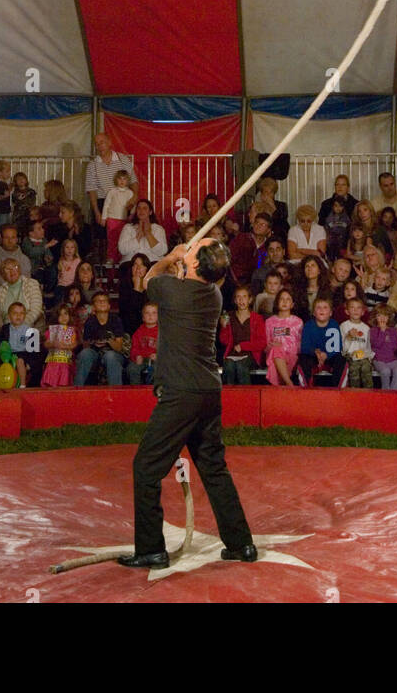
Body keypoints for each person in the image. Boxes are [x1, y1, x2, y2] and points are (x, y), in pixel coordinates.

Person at [118, 239, 255, 569]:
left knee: (146, 467)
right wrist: (184, 259)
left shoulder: (171, 289)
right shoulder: (213, 294)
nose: (190, 246)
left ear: (194, 265)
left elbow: (147, 281)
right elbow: (175, 279)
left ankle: (151, 549)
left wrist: (170, 257)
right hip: (208, 390)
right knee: (213, 467)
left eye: (195, 247)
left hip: (181, 393)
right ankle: (241, 544)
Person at [84, 133, 137, 233]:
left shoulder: (123, 159)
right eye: (97, 144)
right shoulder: (92, 165)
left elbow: (133, 181)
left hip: (123, 201)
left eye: (102, 143)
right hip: (103, 202)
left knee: (124, 233)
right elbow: (92, 191)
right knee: (102, 234)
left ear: (109, 143)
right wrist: (97, 212)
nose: (99, 146)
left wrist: (134, 198)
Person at [75, 291, 127, 386]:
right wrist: (94, 342)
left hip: (113, 355)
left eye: (104, 301)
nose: (102, 303)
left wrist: (108, 340)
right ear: (93, 307)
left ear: (109, 306)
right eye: (98, 301)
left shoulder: (115, 320)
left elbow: (119, 347)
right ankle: (77, 389)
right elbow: (85, 346)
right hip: (95, 354)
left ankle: (115, 392)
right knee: (85, 354)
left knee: (110, 356)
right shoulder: (90, 322)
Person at [218, 286, 265, 384]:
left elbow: (261, 343)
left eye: (244, 297)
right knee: (229, 366)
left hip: (250, 355)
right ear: (235, 300)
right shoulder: (229, 316)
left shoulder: (257, 318)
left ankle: (246, 397)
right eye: (238, 297)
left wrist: (243, 346)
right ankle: (228, 397)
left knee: (241, 365)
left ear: (250, 299)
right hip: (232, 354)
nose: (241, 300)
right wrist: (224, 327)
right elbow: (224, 340)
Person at [0, 257, 44, 335]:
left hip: (28, 325)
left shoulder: (31, 283)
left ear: (19, 270)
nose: (12, 271)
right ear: (3, 274)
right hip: (6, 329)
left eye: (15, 267)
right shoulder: (0, 290)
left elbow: (36, 309)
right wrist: (3, 329)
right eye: (7, 269)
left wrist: (20, 326)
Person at [299, 297, 344, 386]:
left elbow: (337, 347)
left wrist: (326, 355)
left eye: (325, 307)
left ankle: (338, 389)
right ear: (313, 313)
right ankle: (305, 387)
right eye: (318, 307)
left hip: (330, 356)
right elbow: (304, 347)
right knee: (303, 359)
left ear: (330, 313)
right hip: (314, 356)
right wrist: (315, 352)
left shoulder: (334, 324)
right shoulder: (308, 325)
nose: (322, 310)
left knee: (341, 360)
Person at [0, 300, 42, 388]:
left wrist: (30, 363)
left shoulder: (29, 330)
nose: (18, 316)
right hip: (8, 354)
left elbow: (35, 350)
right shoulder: (5, 329)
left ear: (25, 316)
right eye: (15, 313)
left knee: (20, 361)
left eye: (21, 313)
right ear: (9, 316)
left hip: (23, 354)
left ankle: (22, 385)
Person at [264, 288, 303, 386]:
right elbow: (266, 345)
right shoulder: (269, 322)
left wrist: (284, 348)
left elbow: (299, 345)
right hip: (274, 356)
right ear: (277, 303)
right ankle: (289, 383)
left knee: (277, 351)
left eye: (288, 299)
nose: (285, 302)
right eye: (282, 299)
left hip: (291, 357)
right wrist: (274, 346)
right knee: (276, 350)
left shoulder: (298, 322)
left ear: (292, 304)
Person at [102, 168, 136, 270]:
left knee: (122, 240)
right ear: (116, 180)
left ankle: (121, 258)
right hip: (112, 219)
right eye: (120, 179)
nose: (122, 181)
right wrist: (104, 218)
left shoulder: (130, 193)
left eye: (124, 179)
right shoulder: (112, 192)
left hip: (123, 220)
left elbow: (133, 206)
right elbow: (106, 205)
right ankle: (111, 257)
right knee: (112, 239)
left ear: (128, 180)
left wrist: (132, 215)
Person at [339, 296, 375, 387]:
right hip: (349, 355)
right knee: (354, 368)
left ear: (363, 312)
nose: (355, 310)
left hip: (363, 356)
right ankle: (354, 392)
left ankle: (368, 393)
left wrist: (369, 357)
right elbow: (342, 347)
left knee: (366, 367)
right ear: (347, 311)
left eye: (358, 308)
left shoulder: (366, 328)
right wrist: (349, 337)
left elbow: (368, 346)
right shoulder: (344, 326)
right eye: (352, 307)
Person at [118, 200, 167, 265]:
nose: (141, 210)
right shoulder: (128, 227)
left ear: (150, 212)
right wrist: (138, 237)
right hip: (131, 263)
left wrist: (148, 234)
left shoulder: (158, 229)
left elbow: (162, 251)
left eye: (144, 208)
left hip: (152, 263)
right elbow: (122, 250)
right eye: (139, 208)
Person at [0, 223, 32, 290]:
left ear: (17, 239)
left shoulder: (24, 259)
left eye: (13, 237)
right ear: (0, 238)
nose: (10, 241)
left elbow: (26, 280)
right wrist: (11, 289)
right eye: (7, 237)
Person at [370, 305, 397, 390]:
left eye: (385, 315)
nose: (382, 318)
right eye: (379, 315)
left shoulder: (393, 331)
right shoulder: (373, 330)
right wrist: (382, 331)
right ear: (375, 317)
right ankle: (385, 391)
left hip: (393, 360)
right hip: (379, 360)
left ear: (389, 317)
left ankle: (393, 393)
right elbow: (376, 345)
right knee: (386, 371)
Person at [41, 305, 77, 387]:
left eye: (65, 314)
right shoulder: (52, 330)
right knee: (51, 380)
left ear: (69, 316)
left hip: (66, 359)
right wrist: (53, 343)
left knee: (64, 380)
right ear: (56, 317)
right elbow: (46, 344)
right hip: (53, 359)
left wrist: (67, 346)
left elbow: (74, 343)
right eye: (60, 315)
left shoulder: (72, 330)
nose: (63, 317)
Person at [127, 303, 160, 385]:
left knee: (157, 369)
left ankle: (151, 391)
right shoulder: (138, 332)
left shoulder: (162, 332)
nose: (150, 316)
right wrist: (137, 355)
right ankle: (136, 391)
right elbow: (134, 347)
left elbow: (167, 348)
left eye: (154, 313)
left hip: (156, 360)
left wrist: (158, 355)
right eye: (147, 313)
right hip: (141, 359)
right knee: (132, 368)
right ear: (143, 317)